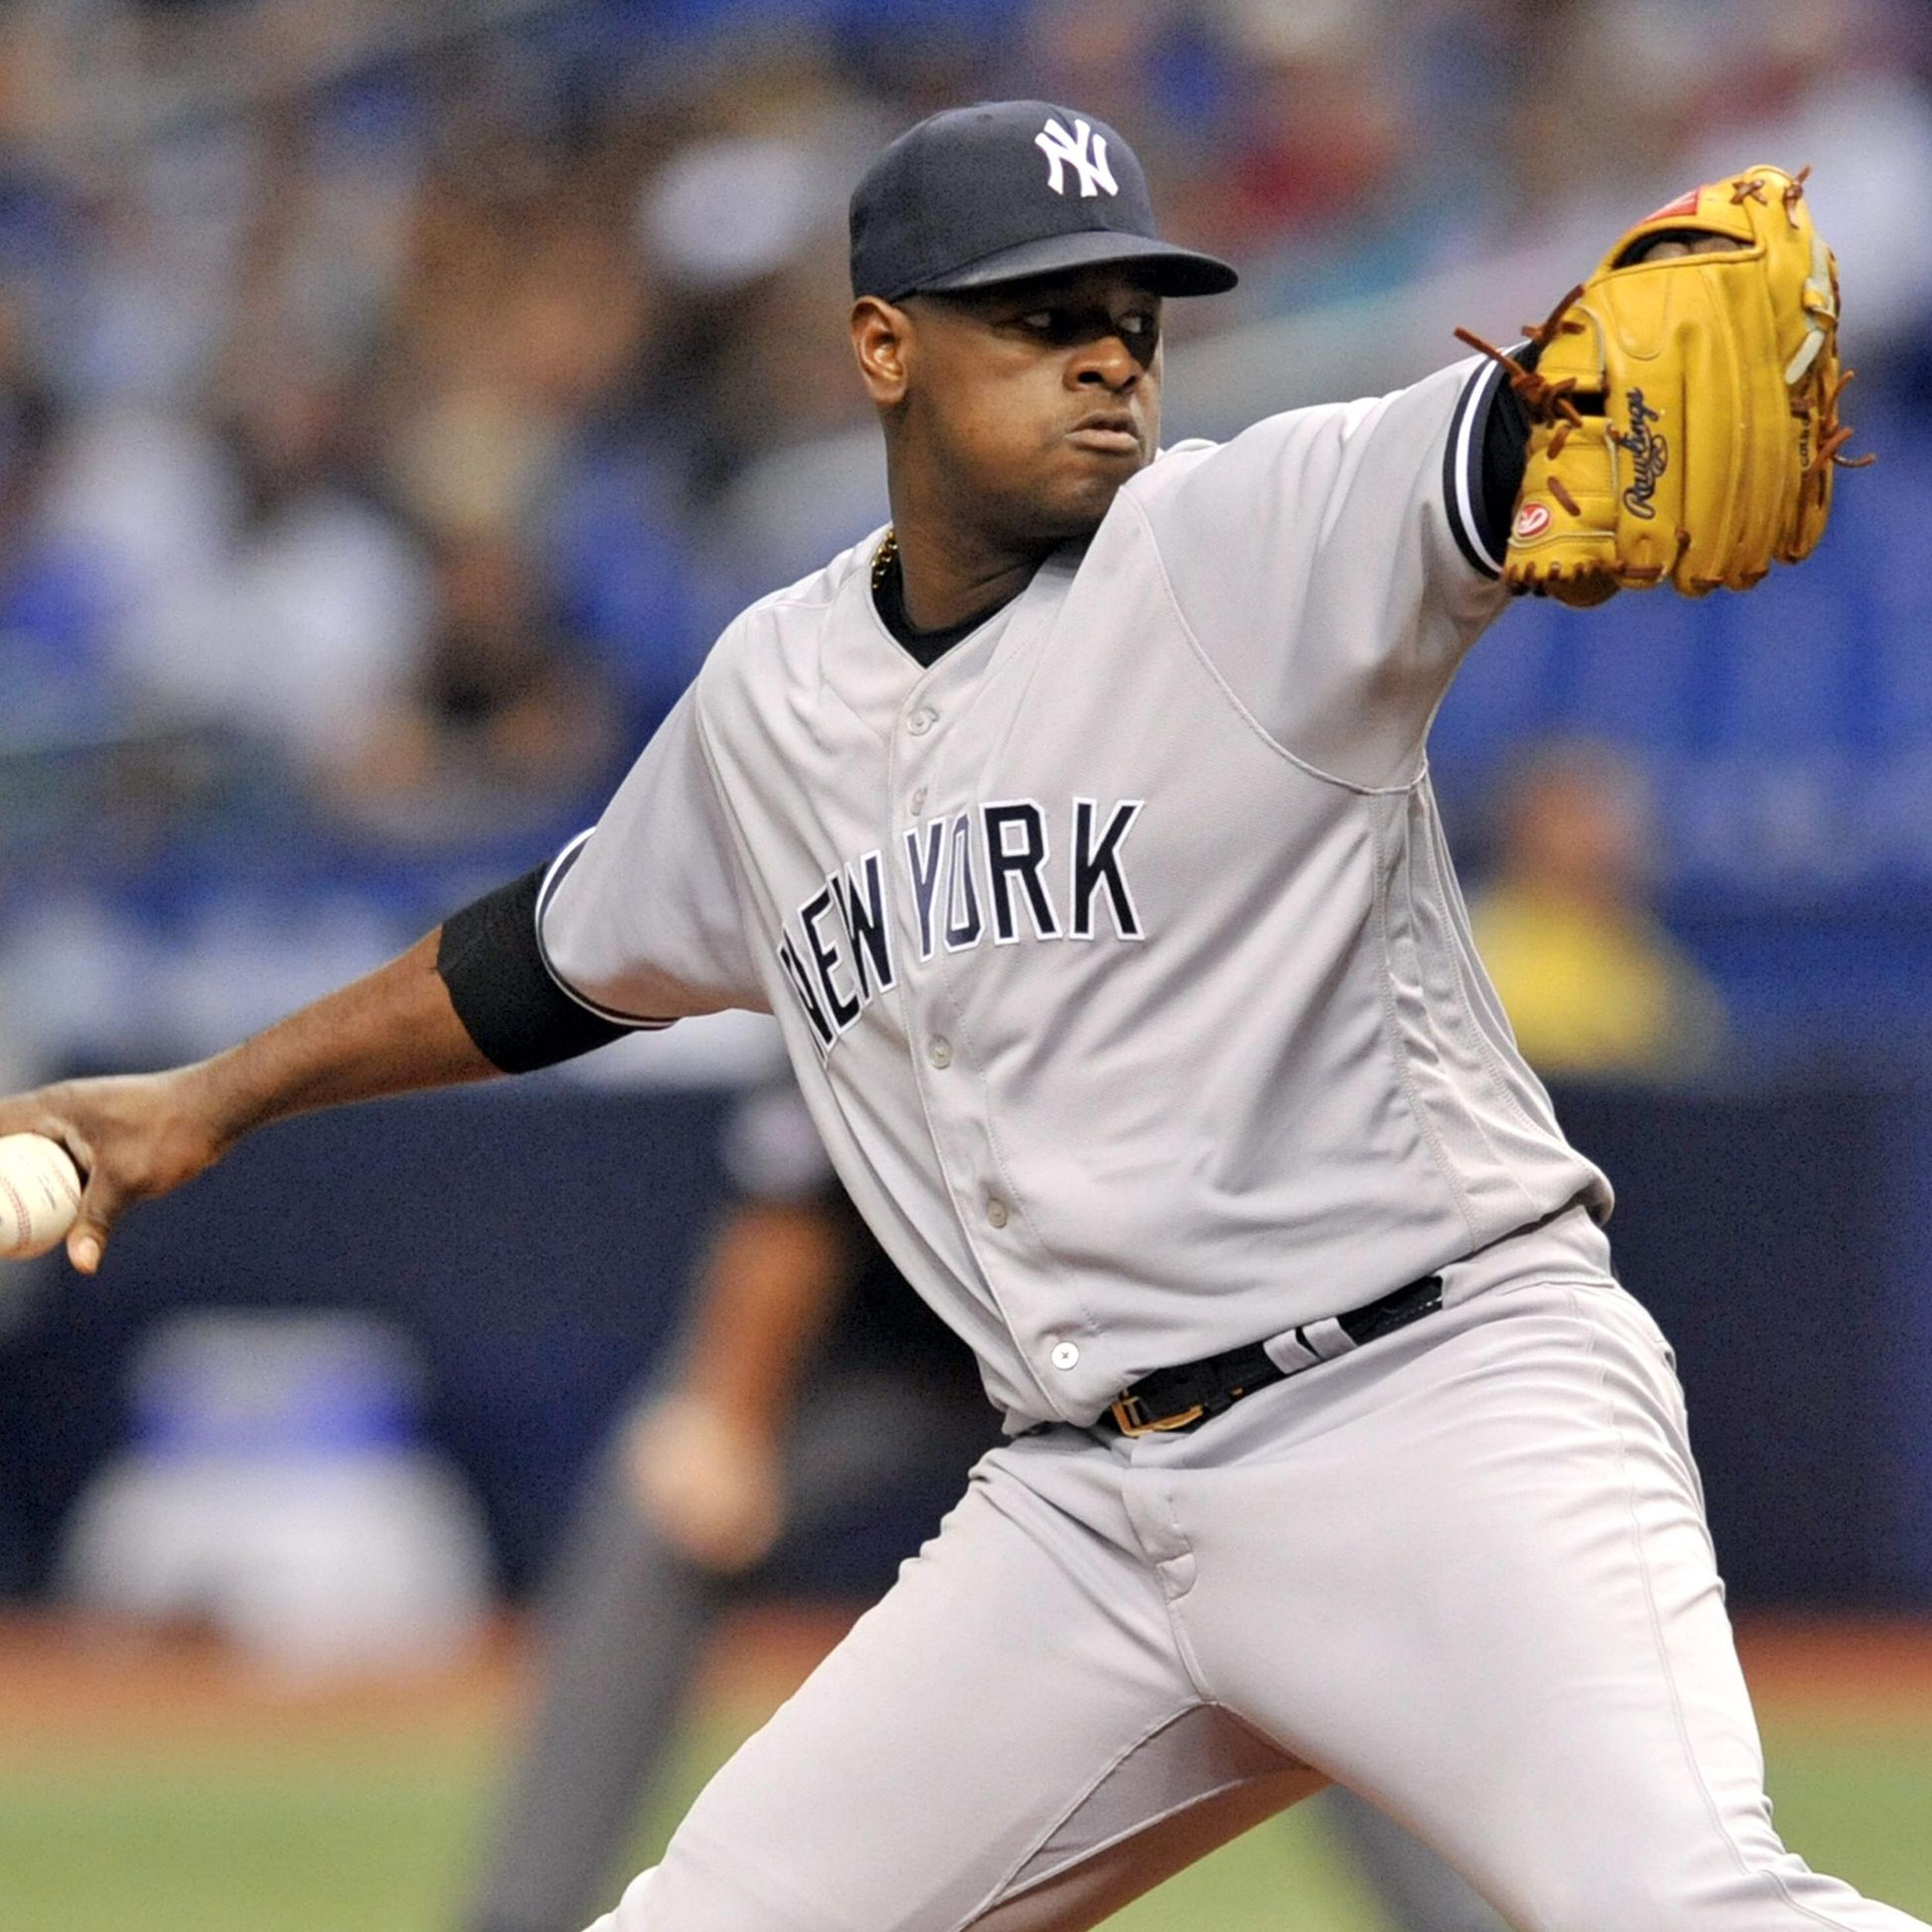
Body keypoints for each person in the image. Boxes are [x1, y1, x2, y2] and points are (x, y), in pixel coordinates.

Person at [2, 103, 1918, 1931]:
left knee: (1676, 1902)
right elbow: (542, 964)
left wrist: (1536, 419)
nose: (1109, 361)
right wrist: (205, 1100)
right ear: (882, 348)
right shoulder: (773, 695)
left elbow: (1482, 458)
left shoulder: (1245, 542)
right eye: (1041, 316)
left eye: (1132, 321)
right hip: (1080, 1508)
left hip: (1431, 1414)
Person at [464, 1078, 1506, 1932]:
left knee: (1307, 1601)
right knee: (659, 1521)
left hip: (1160, 1377)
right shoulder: (923, 936)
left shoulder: (1204, 979)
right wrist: (725, 1419)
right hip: (904, 1371)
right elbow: (788, 1196)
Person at [1468, 738, 1726, 1084]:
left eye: (1606, 817)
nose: (1594, 837)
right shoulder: (1473, 945)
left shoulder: (1651, 964)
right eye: (1569, 817)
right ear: (1522, 826)